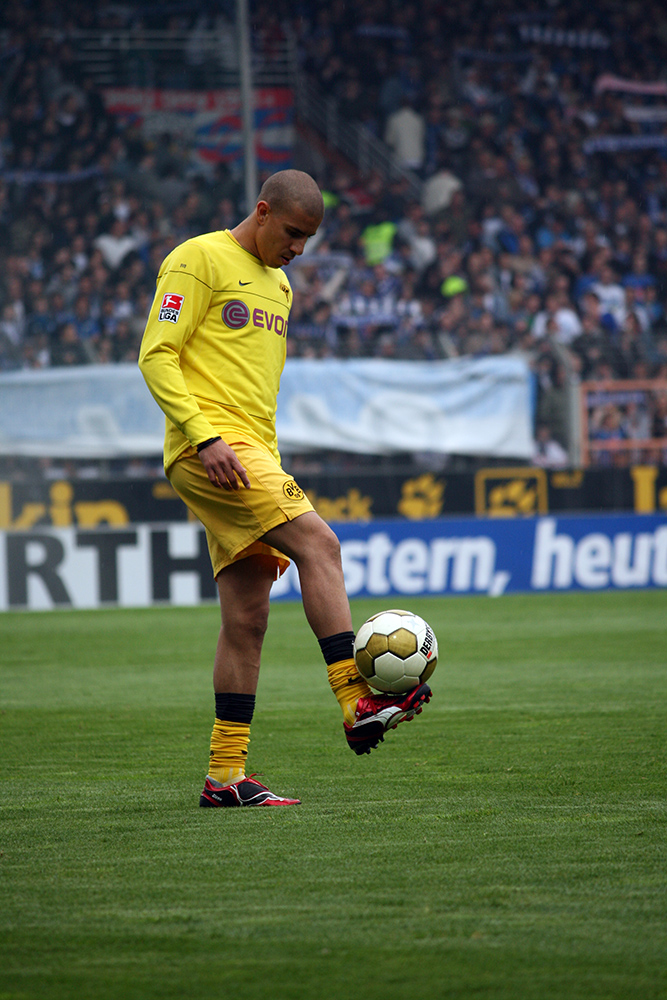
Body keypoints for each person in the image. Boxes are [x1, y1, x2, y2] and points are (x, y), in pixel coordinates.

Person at [138, 170, 431, 808]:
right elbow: (157, 354)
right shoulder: (197, 258)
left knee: (246, 619)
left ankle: (225, 777)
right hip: (213, 448)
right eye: (294, 233)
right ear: (263, 212)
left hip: (250, 451)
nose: (299, 248)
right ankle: (357, 699)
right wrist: (204, 436)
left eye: (309, 239)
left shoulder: (280, 285)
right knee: (320, 545)